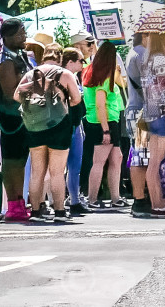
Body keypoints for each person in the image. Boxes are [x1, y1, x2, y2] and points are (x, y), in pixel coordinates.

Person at [16, 44, 81, 221]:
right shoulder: (64, 74)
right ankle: (59, 211)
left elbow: (16, 96)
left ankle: (35, 211)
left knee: (37, 172)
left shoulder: (31, 74)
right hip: (59, 126)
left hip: (35, 125)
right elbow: (76, 99)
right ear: (59, 58)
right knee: (57, 172)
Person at [0, 19, 33, 222]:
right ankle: (13, 205)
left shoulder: (20, 56)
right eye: (19, 33)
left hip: (23, 116)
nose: (24, 36)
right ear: (7, 37)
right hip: (11, 118)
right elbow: (10, 93)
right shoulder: (6, 61)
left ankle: (20, 202)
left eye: (24, 32)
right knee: (12, 161)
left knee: (21, 160)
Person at [138, 31, 165, 216]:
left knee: (153, 162)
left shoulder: (148, 60)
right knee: (158, 163)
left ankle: (157, 203)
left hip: (151, 114)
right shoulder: (161, 60)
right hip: (163, 115)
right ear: (164, 38)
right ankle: (160, 203)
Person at [82, 41, 127, 210]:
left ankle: (116, 197)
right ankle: (92, 198)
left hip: (108, 121)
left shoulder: (94, 72)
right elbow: (101, 104)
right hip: (104, 122)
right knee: (99, 161)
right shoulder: (103, 78)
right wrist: (105, 130)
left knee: (117, 158)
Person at [123, 33, 151, 218]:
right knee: (141, 156)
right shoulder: (141, 54)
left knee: (141, 155)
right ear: (146, 36)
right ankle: (139, 198)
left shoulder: (134, 52)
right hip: (141, 110)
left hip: (136, 109)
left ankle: (142, 197)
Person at [60, 47, 90, 215]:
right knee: (66, 165)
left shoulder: (74, 78)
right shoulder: (63, 77)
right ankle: (69, 199)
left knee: (74, 165)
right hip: (67, 125)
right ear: (70, 62)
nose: (82, 64)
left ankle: (74, 199)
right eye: (80, 60)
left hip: (76, 124)